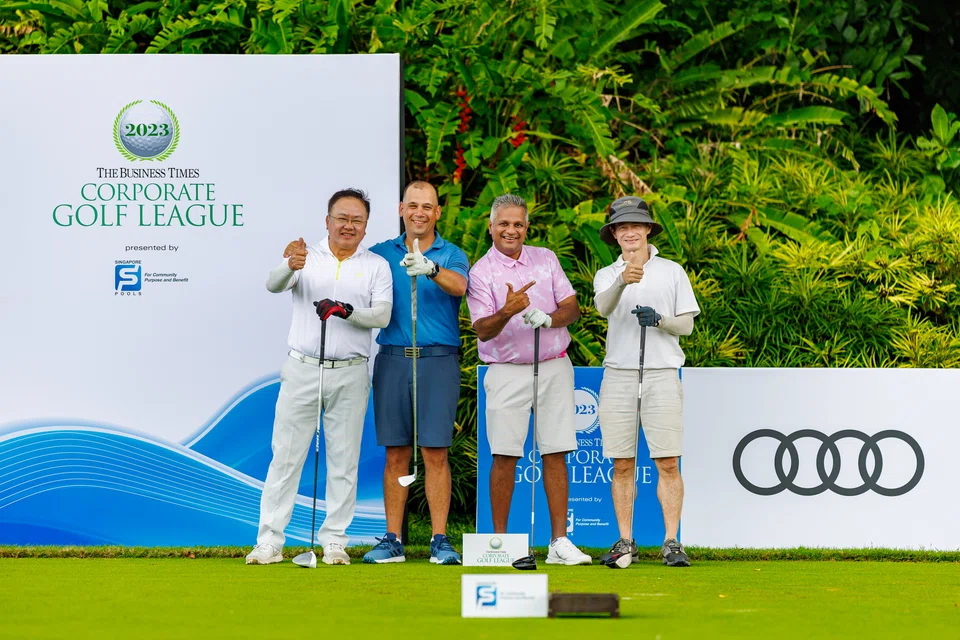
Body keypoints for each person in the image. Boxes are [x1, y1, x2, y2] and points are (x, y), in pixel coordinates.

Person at [245, 188, 393, 567]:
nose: (348, 225)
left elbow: (381, 316)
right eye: (341, 218)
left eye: (356, 220)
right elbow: (273, 285)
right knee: (286, 457)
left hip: (351, 372)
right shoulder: (304, 256)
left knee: (344, 460)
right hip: (303, 368)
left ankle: (334, 542)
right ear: (327, 221)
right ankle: (269, 542)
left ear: (365, 227)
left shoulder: (376, 265)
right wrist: (289, 266)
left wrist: (346, 311)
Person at [467, 194, 592, 565]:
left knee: (556, 451)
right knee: (505, 454)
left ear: (526, 227)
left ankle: (559, 543)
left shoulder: (546, 258)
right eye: (503, 223)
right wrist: (507, 311)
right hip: (506, 371)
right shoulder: (480, 272)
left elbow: (572, 306)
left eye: (518, 224)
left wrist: (549, 318)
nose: (511, 230)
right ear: (491, 226)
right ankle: (500, 545)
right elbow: (483, 330)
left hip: (553, 364)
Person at [363, 181, 469, 565]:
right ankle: (393, 539)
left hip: (438, 358)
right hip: (392, 357)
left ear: (438, 212)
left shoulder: (452, 253)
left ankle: (439, 539)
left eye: (428, 206)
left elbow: (459, 286)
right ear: (401, 210)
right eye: (413, 205)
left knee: (435, 452)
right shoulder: (379, 255)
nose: (420, 212)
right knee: (396, 453)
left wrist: (431, 268)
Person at [593, 196, 700, 568]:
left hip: (661, 373)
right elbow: (602, 307)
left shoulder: (672, 271)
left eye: (636, 225)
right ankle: (625, 541)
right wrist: (623, 281)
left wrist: (659, 320)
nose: (629, 232)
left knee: (668, 461)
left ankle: (671, 541)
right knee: (622, 463)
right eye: (622, 227)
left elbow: (686, 325)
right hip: (620, 374)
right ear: (615, 235)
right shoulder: (608, 274)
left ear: (648, 230)